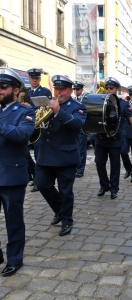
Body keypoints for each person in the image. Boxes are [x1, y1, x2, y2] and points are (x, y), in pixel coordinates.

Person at [35, 75, 87, 236]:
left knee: (65, 191)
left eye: (62, 89)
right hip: (46, 154)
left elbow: (77, 124)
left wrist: (58, 111)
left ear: (70, 90)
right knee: (42, 185)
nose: (59, 92)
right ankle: (59, 210)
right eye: (56, 89)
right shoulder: (47, 104)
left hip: (66, 156)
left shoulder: (77, 107)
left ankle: (66, 220)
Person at [0, 67, 35, 276]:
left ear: (15, 90)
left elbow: (23, 135)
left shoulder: (26, 111)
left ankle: (15, 259)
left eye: (3, 87)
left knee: (13, 220)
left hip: (12, 175)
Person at [95, 77, 130, 199]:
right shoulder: (100, 101)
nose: (109, 90)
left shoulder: (123, 104)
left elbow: (130, 117)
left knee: (115, 165)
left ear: (116, 89)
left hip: (115, 140)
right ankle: (104, 186)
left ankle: (114, 189)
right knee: (99, 163)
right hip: (101, 139)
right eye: (107, 88)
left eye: (111, 88)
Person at [27, 68, 52, 192]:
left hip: (39, 128)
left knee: (38, 154)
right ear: (29, 78)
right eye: (32, 78)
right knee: (25, 154)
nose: (35, 80)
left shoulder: (45, 91)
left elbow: (46, 107)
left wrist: (29, 106)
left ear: (40, 79)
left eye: (37, 78)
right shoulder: (25, 92)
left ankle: (38, 180)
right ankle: (33, 175)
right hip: (27, 127)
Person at [72, 81, 88, 178]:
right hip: (74, 128)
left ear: (81, 89)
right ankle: (75, 167)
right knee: (75, 148)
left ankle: (80, 169)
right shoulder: (74, 100)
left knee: (82, 149)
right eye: (74, 89)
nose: (75, 91)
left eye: (77, 89)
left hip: (82, 127)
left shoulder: (85, 99)